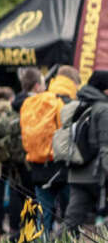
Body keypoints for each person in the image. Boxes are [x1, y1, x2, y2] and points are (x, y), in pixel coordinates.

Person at [55, 70, 108, 237]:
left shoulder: (79, 104)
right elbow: (105, 146)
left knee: (71, 221)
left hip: (77, 172)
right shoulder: (104, 109)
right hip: (98, 175)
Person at [22, 65, 76, 224]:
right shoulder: (56, 102)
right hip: (59, 164)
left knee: (43, 213)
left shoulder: (27, 104)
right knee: (69, 212)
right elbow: (64, 131)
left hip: (37, 164)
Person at [0, 87, 25, 238]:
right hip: (9, 158)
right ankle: (14, 226)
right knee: (15, 192)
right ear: (10, 98)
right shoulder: (9, 111)